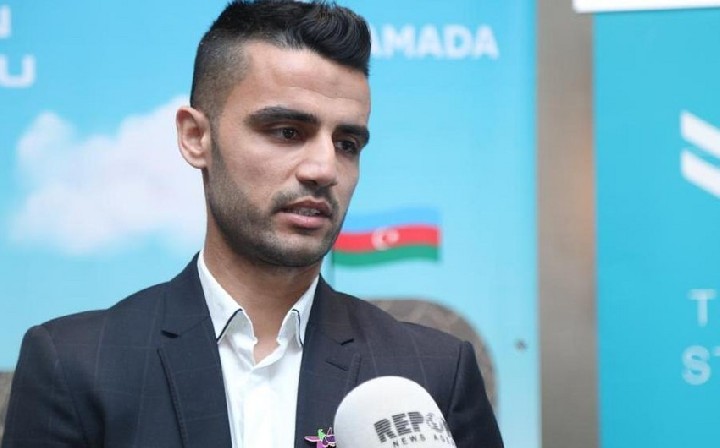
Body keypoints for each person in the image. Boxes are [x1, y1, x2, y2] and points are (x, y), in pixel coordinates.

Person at [1, 1, 503, 447]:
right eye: (287, 132)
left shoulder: (434, 371)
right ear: (196, 137)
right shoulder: (76, 365)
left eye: (347, 144)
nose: (324, 168)